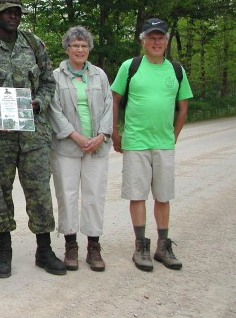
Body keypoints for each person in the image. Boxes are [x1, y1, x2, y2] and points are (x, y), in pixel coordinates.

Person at [0, 0, 66, 278]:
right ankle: (4, 251)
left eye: (16, 12)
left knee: (39, 191)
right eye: (7, 11)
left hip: (33, 133)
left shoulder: (35, 44)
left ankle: (44, 250)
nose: (12, 15)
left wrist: (39, 103)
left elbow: (49, 81)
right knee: (0, 194)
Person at [111, 18, 193, 271]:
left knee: (163, 196)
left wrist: (174, 136)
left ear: (166, 42)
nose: (156, 42)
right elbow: (114, 99)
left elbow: (183, 107)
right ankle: (141, 247)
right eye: (152, 38)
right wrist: (115, 132)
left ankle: (163, 246)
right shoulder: (131, 67)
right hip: (135, 142)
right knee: (137, 195)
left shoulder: (176, 70)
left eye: (161, 38)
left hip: (164, 144)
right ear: (143, 41)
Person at [48, 26, 112, 272]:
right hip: (67, 145)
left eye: (84, 45)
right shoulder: (55, 76)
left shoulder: (99, 75)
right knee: (67, 195)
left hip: (96, 146)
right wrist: (74, 135)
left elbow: (109, 106)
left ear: (89, 49)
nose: (80, 49)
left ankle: (94, 246)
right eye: (75, 45)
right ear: (67, 48)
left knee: (94, 195)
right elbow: (53, 109)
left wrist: (102, 135)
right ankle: (71, 245)